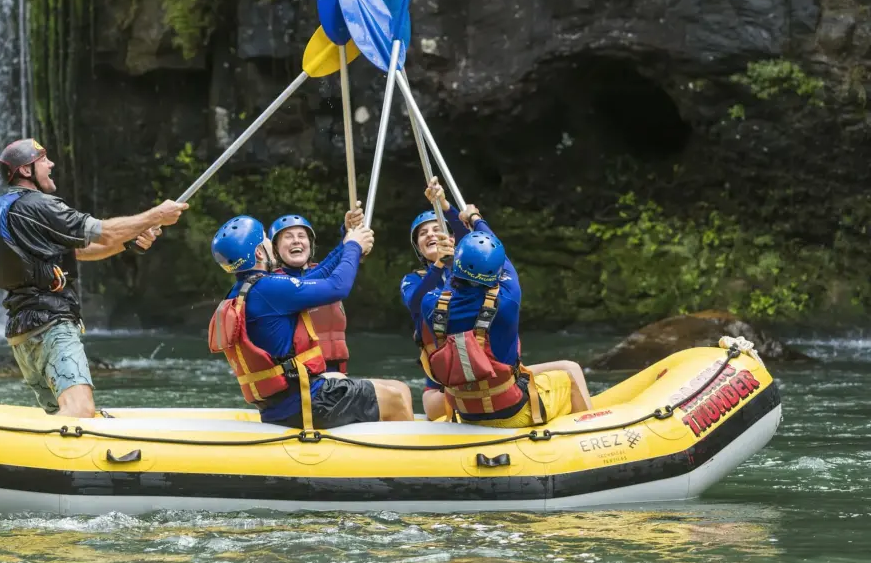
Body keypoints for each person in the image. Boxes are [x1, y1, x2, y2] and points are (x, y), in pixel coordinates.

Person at [0, 138, 188, 418]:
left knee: (62, 417)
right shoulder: (38, 206)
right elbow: (105, 232)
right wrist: (156, 215)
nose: (51, 163)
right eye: (43, 159)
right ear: (27, 171)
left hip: (23, 332)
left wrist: (129, 242)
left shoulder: (5, 208)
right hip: (50, 325)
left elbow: (81, 252)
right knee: (79, 411)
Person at [207, 215, 414, 429]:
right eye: (266, 241)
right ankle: (411, 460)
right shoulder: (270, 289)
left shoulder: (244, 290)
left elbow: (317, 275)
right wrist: (354, 246)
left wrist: (346, 242)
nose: (270, 244)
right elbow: (338, 287)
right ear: (259, 252)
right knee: (395, 397)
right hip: (306, 403)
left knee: (398, 386)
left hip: (283, 403)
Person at [417, 206, 592, 425]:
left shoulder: (431, 303)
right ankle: (588, 433)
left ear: (456, 263)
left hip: (465, 412)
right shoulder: (508, 298)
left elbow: (449, 288)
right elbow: (500, 252)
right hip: (512, 412)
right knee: (570, 372)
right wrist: (475, 218)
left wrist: (445, 261)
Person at [266, 204, 364, 374]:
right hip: (303, 377)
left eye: (301, 236)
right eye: (288, 237)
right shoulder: (274, 284)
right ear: (275, 249)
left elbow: (336, 262)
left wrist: (349, 232)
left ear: (310, 244)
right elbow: (307, 281)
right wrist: (350, 244)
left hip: (336, 373)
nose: (296, 240)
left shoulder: (325, 272)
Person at [399, 178, 467, 417]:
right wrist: (439, 264)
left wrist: (444, 204)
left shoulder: (470, 271)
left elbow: (469, 234)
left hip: (483, 374)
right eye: (423, 233)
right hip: (440, 389)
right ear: (418, 247)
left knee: (568, 369)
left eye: (437, 229)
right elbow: (416, 303)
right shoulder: (413, 280)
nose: (430, 235)